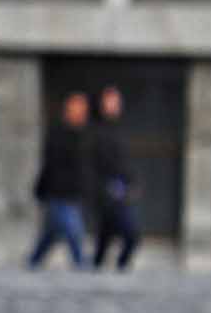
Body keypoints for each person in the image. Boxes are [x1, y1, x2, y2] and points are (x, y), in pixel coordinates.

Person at [26, 93, 94, 271]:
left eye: (82, 109)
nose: (80, 113)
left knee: (50, 233)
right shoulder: (58, 134)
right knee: (73, 231)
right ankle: (81, 264)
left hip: (73, 193)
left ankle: (33, 262)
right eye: (76, 108)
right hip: (58, 193)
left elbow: (84, 167)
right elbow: (49, 165)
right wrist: (42, 189)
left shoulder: (84, 134)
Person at [90, 84, 143, 273]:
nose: (114, 105)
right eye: (110, 101)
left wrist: (133, 183)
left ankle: (100, 270)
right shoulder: (95, 131)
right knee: (129, 234)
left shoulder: (118, 130)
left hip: (120, 190)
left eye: (116, 102)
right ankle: (110, 270)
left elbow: (124, 163)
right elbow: (96, 165)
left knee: (106, 238)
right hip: (106, 190)